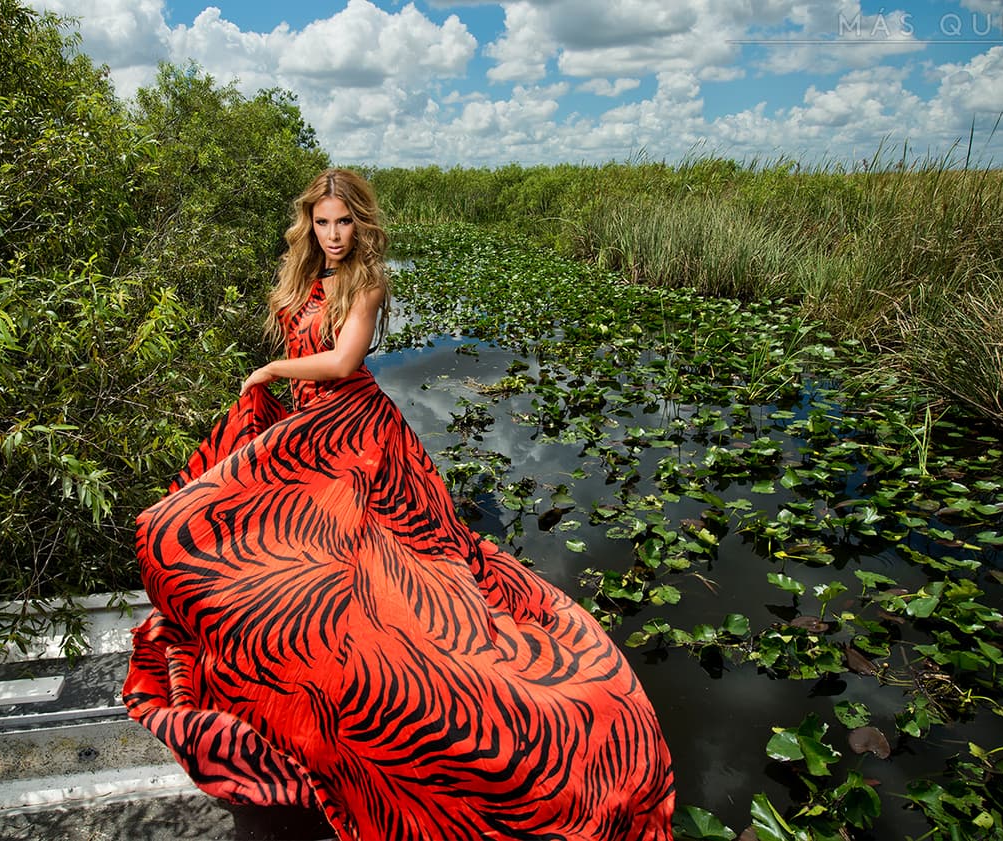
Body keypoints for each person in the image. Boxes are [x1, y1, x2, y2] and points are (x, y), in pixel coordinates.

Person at [123, 168, 676, 840]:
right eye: (322, 222)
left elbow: (342, 362)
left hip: (355, 429)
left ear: (360, 223)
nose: (333, 234)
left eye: (344, 222)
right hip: (306, 429)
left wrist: (269, 370)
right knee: (250, 537)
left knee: (380, 571)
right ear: (309, 223)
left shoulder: (367, 281)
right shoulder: (302, 276)